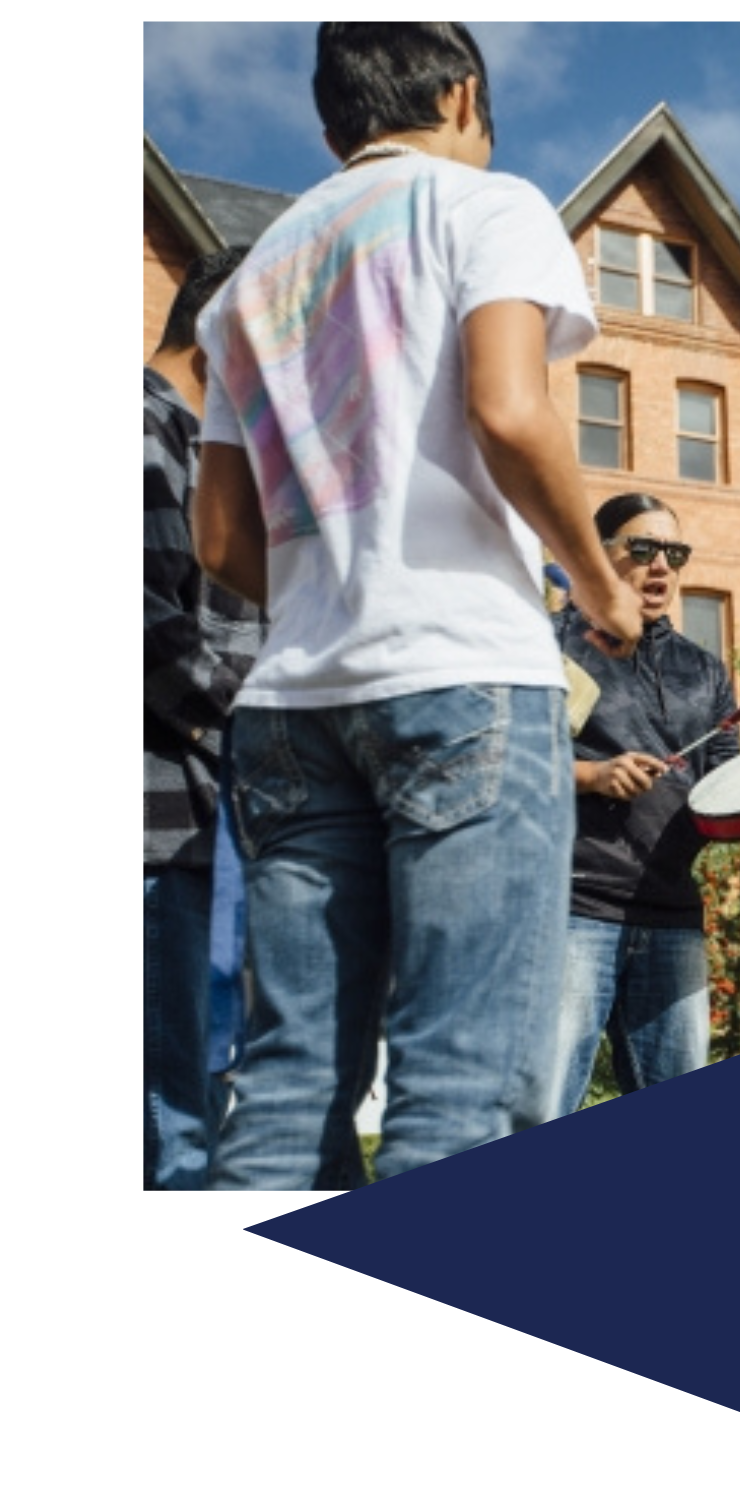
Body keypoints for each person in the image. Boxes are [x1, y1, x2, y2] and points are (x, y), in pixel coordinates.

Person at [191, 23, 642, 1188]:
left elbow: (220, 539)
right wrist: (595, 586)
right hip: (461, 674)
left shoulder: (247, 280)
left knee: (286, 1081)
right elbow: (509, 410)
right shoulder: (485, 207)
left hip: (291, 700)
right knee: (461, 1085)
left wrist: (332, 586)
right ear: (460, 96)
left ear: (332, 121)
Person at [549, 494, 739, 1111]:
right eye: (643, 549)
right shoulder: (550, 644)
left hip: (672, 919)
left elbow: (728, 786)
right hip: (571, 910)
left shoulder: (705, 672)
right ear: (600, 556)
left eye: (675, 553)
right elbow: (504, 759)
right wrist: (593, 775)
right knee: (537, 1114)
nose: (661, 566)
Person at [144, 245, 262, 1189]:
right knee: (170, 1124)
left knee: (198, 1105)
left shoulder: (203, 447)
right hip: (153, 830)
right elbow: (142, 620)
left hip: (204, 821)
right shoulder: (137, 430)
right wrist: (256, 724)